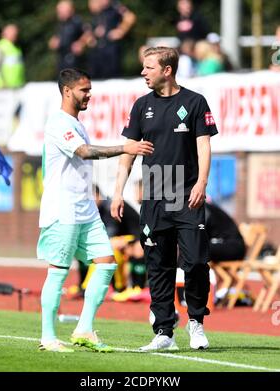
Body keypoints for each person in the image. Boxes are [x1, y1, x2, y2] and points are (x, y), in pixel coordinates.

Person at [37, 68, 153, 353]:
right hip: (62, 209)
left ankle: (84, 329)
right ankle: (48, 337)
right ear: (67, 91)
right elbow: (85, 152)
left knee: (106, 263)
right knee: (58, 271)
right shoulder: (57, 123)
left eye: (90, 89)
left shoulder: (78, 124)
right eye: (84, 90)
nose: (89, 95)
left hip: (85, 209)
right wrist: (125, 147)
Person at [111, 47, 218, 352]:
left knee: (196, 261)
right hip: (155, 196)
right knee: (158, 265)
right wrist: (118, 192)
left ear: (167, 70)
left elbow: (204, 146)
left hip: (185, 195)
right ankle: (164, 332)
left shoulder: (195, 102)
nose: (143, 72)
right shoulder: (141, 105)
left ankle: (196, 321)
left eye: (149, 68)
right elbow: (127, 153)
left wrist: (202, 182)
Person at [86, 0, 136, 79]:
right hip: (98, 49)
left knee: (113, 76)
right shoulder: (99, 11)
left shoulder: (116, 6)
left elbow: (130, 16)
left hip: (112, 48)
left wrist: (121, 30)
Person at [49, 0, 87, 73]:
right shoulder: (60, 24)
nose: (59, 13)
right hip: (62, 58)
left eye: (61, 10)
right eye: (58, 11)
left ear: (70, 10)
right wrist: (53, 42)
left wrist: (81, 43)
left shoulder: (77, 21)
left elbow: (88, 34)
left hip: (74, 60)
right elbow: (55, 38)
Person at [0, 24, 25, 89]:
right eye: (13, 32)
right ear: (5, 33)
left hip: (17, 84)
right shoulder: (0, 47)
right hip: (4, 87)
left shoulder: (16, 47)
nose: (16, 34)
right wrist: (2, 82)